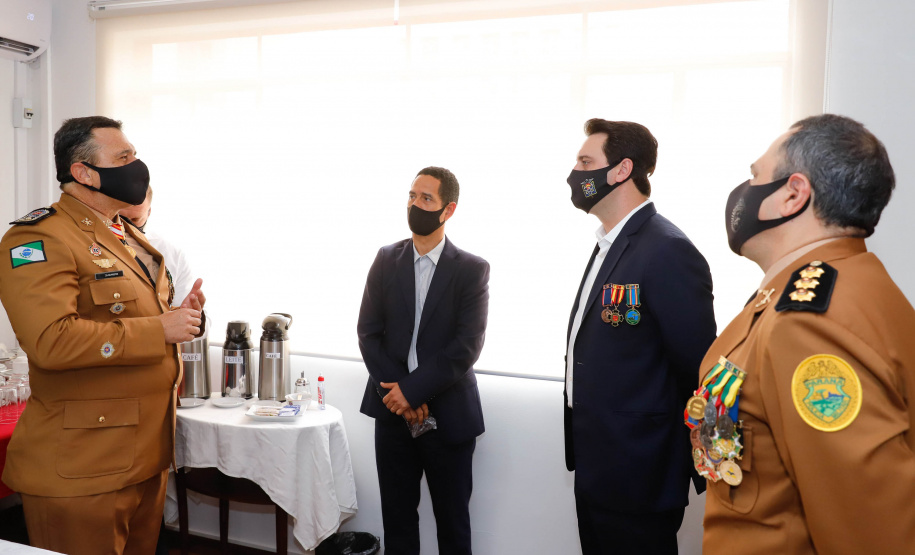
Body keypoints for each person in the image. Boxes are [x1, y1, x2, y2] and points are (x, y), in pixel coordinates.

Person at [692, 114, 915, 554]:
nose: (745, 188)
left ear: (793, 194)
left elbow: (868, 533)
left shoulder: (809, 323)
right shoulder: (844, 283)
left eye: (755, 174)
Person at [0, 116, 205, 555]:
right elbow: (51, 341)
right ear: (84, 173)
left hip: (144, 456)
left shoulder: (126, 234)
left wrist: (178, 316)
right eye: (124, 157)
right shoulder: (38, 237)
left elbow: (130, 314)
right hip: (84, 466)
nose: (137, 166)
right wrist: (159, 328)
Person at [563, 119, 716, 554]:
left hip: (640, 470)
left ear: (621, 169)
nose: (575, 173)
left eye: (585, 161)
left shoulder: (666, 249)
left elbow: (697, 365)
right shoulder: (610, 243)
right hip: (598, 462)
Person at [357, 166, 489, 555]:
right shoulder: (385, 259)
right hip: (391, 411)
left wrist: (412, 392)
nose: (415, 204)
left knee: (452, 525)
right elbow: (368, 332)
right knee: (397, 521)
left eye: (426, 198)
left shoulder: (471, 270)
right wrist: (399, 394)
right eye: (412, 196)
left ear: (447, 210)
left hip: (447, 416)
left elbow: (466, 347)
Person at [120, 186, 197, 306]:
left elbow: (187, 310)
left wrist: (193, 314)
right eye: (120, 218)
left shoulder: (172, 255)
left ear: (149, 212)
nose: (126, 226)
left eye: (135, 220)